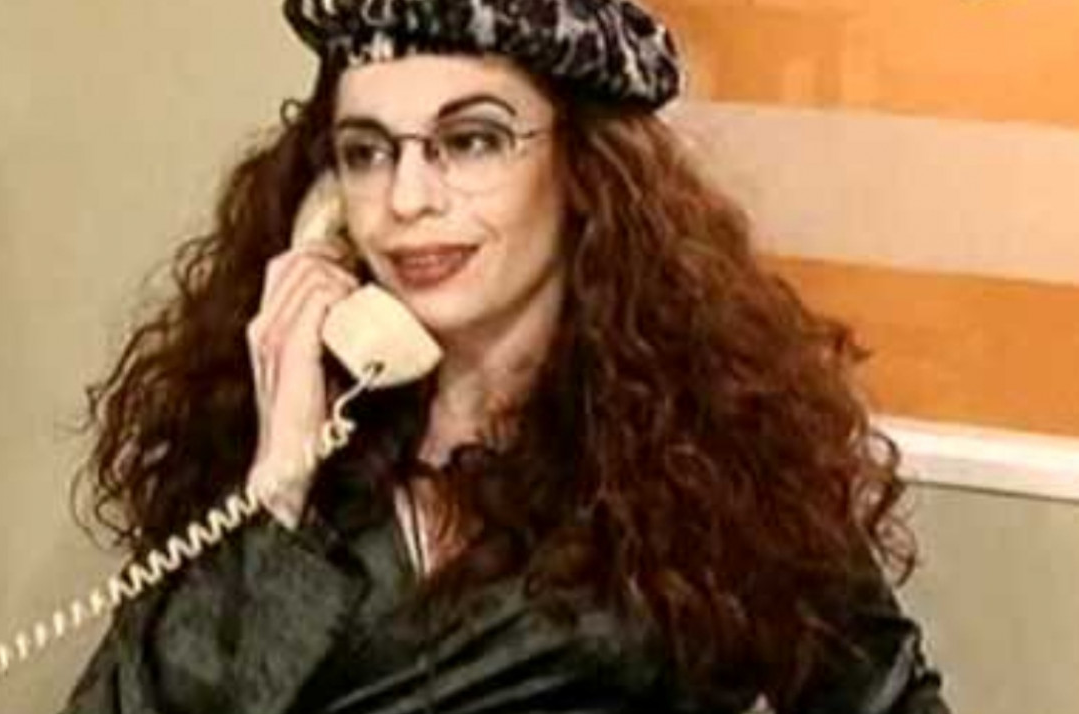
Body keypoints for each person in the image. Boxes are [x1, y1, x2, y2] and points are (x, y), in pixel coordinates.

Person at [64, 1, 951, 712]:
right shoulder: (276, 428)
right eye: (366, 153)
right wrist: (279, 486)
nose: (408, 198)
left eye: (471, 141)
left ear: (580, 164)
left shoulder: (711, 447)